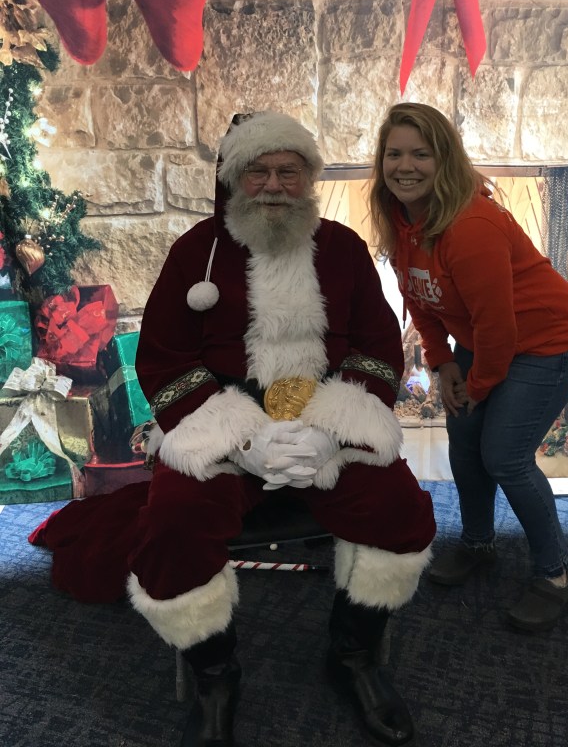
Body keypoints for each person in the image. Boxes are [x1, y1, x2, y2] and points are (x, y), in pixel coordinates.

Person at [32, 110, 435, 747]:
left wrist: (333, 428)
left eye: (289, 171)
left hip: (326, 422)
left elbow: (380, 348)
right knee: (173, 526)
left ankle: (353, 656)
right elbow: (163, 357)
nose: (275, 185)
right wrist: (246, 440)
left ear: (309, 180)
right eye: (259, 172)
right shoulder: (195, 252)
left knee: (403, 510)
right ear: (233, 179)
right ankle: (215, 676)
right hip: (219, 428)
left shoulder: (346, 250)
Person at [368, 102, 568, 633]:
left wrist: (476, 386)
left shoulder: (471, 228)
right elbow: (420, 300)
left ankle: (556, 570)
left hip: (547, 342)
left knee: (504, 457)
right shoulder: (403, 221)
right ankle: (478, 544)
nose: (405, 165)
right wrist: (443, 364)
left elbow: (500, 328)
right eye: (394, 153)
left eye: (420, 154)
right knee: (464, 446)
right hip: (483, 342)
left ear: (444, 159)